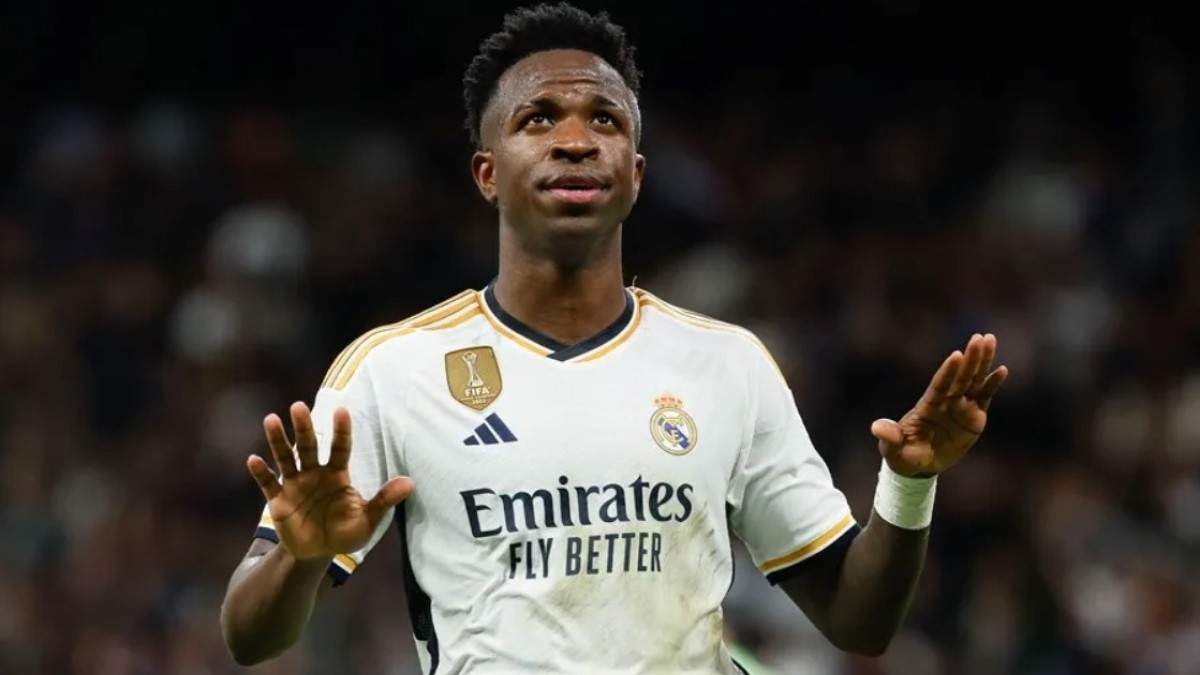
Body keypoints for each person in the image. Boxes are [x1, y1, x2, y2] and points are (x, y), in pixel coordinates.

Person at [219, 3, 1009, 672]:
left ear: (634, 171)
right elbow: (249, 636)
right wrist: (300, 554)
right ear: (487, 173)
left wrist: (910, 483)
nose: (575, 140)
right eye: (538, 118)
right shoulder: (395, 370)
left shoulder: (727, 364)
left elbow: (858, 620)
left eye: (604, 119)